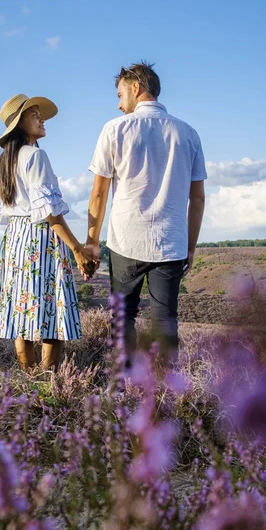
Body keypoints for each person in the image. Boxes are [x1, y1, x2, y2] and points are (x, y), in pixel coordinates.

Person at [86, 62, 207, 362]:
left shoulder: (114, 129)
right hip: (171, 242)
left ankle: (123, 383)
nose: (118, 103)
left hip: (126, 240)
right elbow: (198, 199)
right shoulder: (188, 133)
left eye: (120, 94)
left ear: (136, 88)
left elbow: (99, 193)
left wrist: (91, 242)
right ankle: (166, 390)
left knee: (123, 317)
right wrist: (190, 247)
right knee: (165, 319)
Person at [0, 93, 97, 372]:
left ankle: (29, 379)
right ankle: (49, 383)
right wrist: (77, 249)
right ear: (19, 124)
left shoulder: (3, 162)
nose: (41, 118)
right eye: (34, 114)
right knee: (52, 313)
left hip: (15, 238)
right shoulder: (36, 155)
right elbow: (50, 212)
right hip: (40, 238)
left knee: (21, 311)